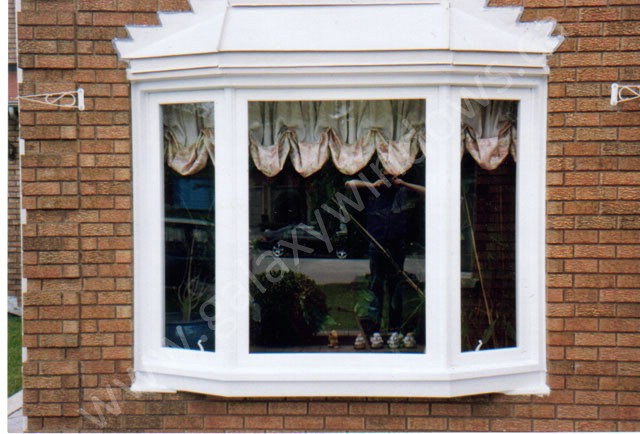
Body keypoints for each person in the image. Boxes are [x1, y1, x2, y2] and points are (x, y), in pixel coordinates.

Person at [345, 173, 424, 346]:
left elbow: (426, 192)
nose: (390, 180)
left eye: (393, 177)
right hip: (377, 243)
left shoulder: (403, 191)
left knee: (396, 287)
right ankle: (374, 331)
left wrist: (404, 183)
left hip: (396, 244)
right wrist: (372, 185)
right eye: (387, 176)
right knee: (376, 286)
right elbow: (349, 184)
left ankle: (395, 330)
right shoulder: (374, 190)